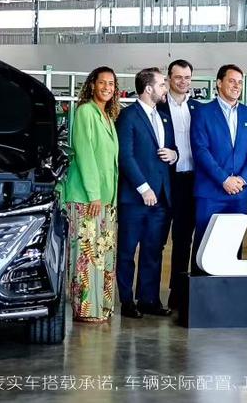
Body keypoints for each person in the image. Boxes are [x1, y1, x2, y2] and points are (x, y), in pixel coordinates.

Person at [116, 67, 178, 318]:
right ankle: (126, 301)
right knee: (127, 251)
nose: (166, 88)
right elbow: (125, 156)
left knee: (153, 251)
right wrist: (143, 188)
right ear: (148, 88)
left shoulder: (163, 117)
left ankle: (148, 299)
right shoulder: (128, 116)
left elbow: (171, 148)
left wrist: (174, 155)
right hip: (135, 198)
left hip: (161, 197)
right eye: (162, 84)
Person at [60, 66, 120, 323]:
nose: (107, 87)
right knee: (86, 256)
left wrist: (108, 198)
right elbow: (84, 154)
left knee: (103, 254)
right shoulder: (85, 112)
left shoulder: (107, 116)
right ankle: (85, 309)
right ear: (92, 85)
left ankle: (101, 307)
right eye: (102, 82)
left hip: (106, 199)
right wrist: (94, 194)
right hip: (87, 198)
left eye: (111, 83)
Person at [190, 64, 247, 251]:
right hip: (210, 193)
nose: (237, 86)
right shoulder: (202, 113)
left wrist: (243, 179)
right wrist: (224, 179)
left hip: (239, 193)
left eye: (240, 82)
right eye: (232, 81)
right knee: (205, 249)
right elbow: (200, 150)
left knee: (233, 249)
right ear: (219, 83)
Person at [156, 59, 200, 311]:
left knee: (184, 240)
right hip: (166, 182)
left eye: (187, 77)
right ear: (169, 79)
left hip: (191, 181)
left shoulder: (199, 109)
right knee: (158, 240)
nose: (183, 82)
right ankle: (149, 296)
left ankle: (180, 294)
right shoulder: (158, 108)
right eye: (178, 77)